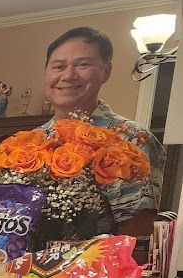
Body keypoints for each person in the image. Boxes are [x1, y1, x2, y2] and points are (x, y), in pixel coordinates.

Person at [39, 26, 166, 236]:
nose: (68, 75)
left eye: (83, 64)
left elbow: (139, 228)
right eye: (58, 66)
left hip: (98, 256)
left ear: (106, 71)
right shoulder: (30, 142)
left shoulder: (131, 139)